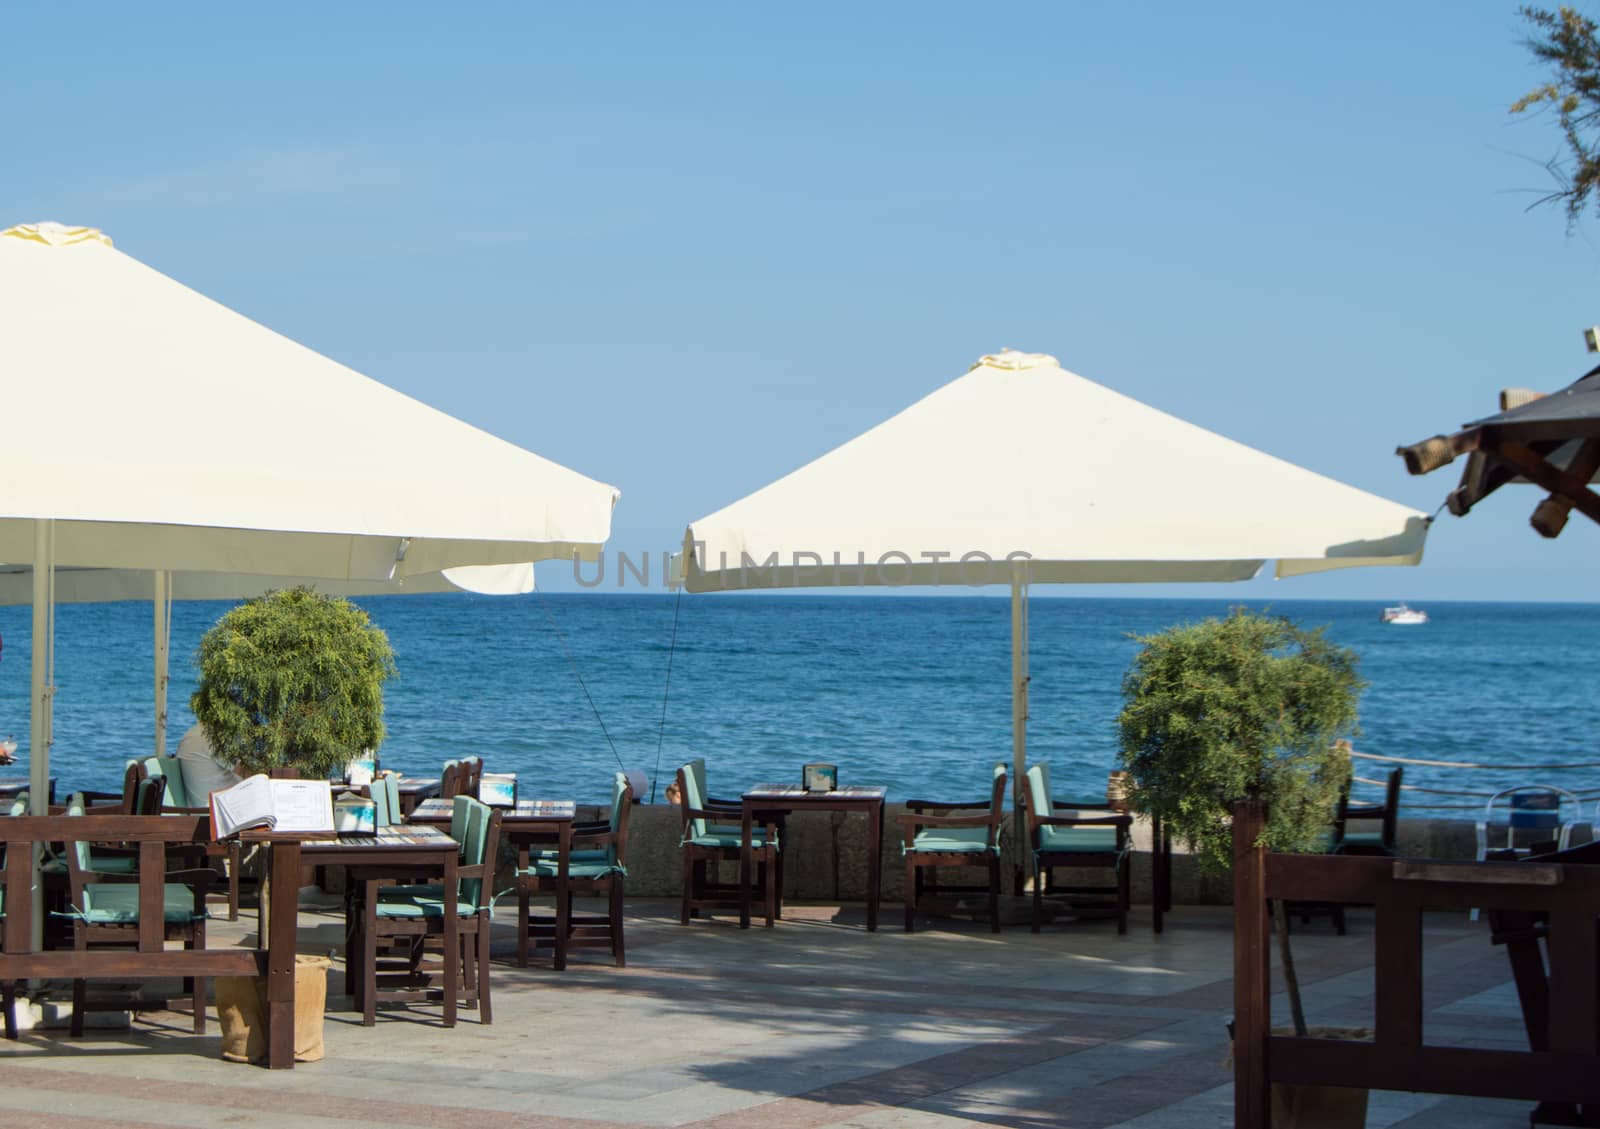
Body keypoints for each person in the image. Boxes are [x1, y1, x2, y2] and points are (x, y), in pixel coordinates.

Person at [175, 723, 242, 801]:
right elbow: (248, 773)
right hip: (217, 808)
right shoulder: (212, 739)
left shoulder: (191, 734)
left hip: (204, 806)